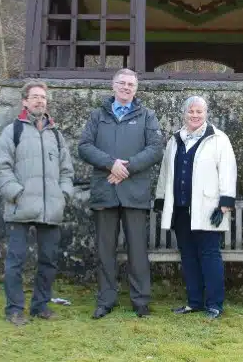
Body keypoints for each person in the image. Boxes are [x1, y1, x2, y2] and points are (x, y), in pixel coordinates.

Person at [78, 68, 163, 319]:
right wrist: (109, 164)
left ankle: (140, 301)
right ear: (113, 86)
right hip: (105, 190)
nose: (127, 87)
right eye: (122, 83)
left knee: (138, 250)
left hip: (134, 193)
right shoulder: (97, 116)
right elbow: (84, 147)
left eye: (131, 84)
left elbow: (156, 149)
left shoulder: (148, 116)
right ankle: (106, 300)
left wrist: (126, 167)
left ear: (136, 89)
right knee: (105, 250)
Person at [0, 81, 74, 326]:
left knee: (48, 260)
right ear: (25, 101)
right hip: (19, 208)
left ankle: (40, 306)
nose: (40, 101)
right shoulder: (12, 132)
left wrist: (63, 195)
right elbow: (0, 170)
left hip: (51, 210)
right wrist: (17, 194)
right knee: (15, 262)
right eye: (35, 97)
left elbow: (67, 171)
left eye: (43, 97)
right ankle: (15, 310)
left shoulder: (56, 135)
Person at [154, 96, 237, 319]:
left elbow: (228, 171)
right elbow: (165, 171)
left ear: (206, 113)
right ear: (184, 113)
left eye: (199, 111)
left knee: (209, 255)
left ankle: (214, 305)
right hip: (181, 210)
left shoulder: (219, 139)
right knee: (188, 256)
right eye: (191, 111)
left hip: (208, 209)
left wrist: (225, 202)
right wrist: (161, 198)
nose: (195, 115)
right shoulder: (174, 140)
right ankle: (194, 302)